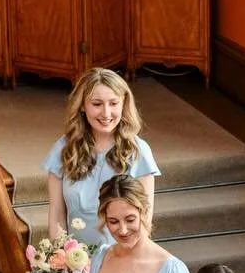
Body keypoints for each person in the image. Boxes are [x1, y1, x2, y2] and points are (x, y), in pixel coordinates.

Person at [42, 67, 158, 243]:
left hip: (122, 258)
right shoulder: (63, 149)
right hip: (77, 262)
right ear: (82, 105)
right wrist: (63, 260)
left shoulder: (138, 151)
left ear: (124, 103)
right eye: (97, 104)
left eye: (113, 103)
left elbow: (144, 220)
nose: (106, 113)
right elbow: (57, 214)